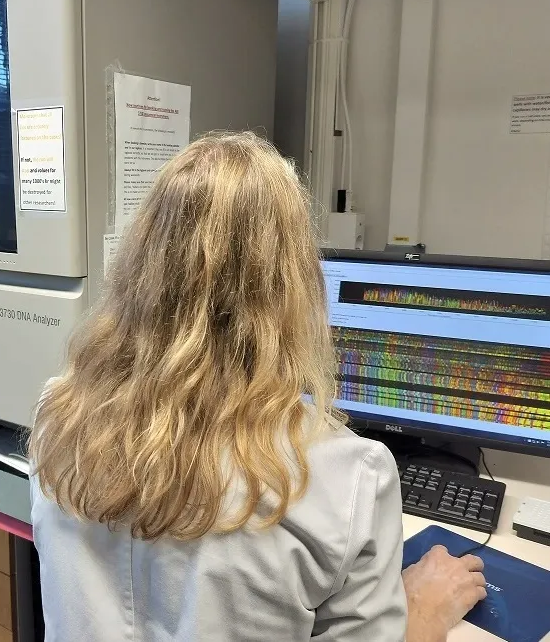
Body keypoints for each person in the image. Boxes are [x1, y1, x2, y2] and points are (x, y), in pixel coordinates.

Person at [29, 132, 486, 641]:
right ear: (294, 288)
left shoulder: (59, 416)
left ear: (140, 266)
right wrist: (423, 611)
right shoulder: (347, 476)